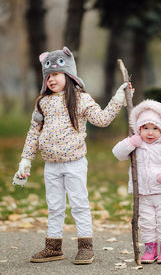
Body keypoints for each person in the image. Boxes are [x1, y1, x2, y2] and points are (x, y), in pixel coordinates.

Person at [13, 46, 131, 264]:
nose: (51, 79)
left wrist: (118, 100)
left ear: (68, 74)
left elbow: (102, 119)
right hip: (51, 165)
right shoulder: (42, 103)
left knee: (79, 204)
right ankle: (53, 247)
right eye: (48, 76)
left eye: (56, 74)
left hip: (74, 163)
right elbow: (33, 132)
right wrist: (25, 160)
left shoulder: (81, 99)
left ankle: (85, 247)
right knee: (54, 206)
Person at [112, 99, 161, 264]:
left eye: (155, 128)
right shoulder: (136, 144)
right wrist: (130, 143)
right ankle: (150, 248)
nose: (150, 133)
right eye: (145, 128)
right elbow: (117, 153)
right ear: (138, 128)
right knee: (147, 222)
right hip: (143, 193)